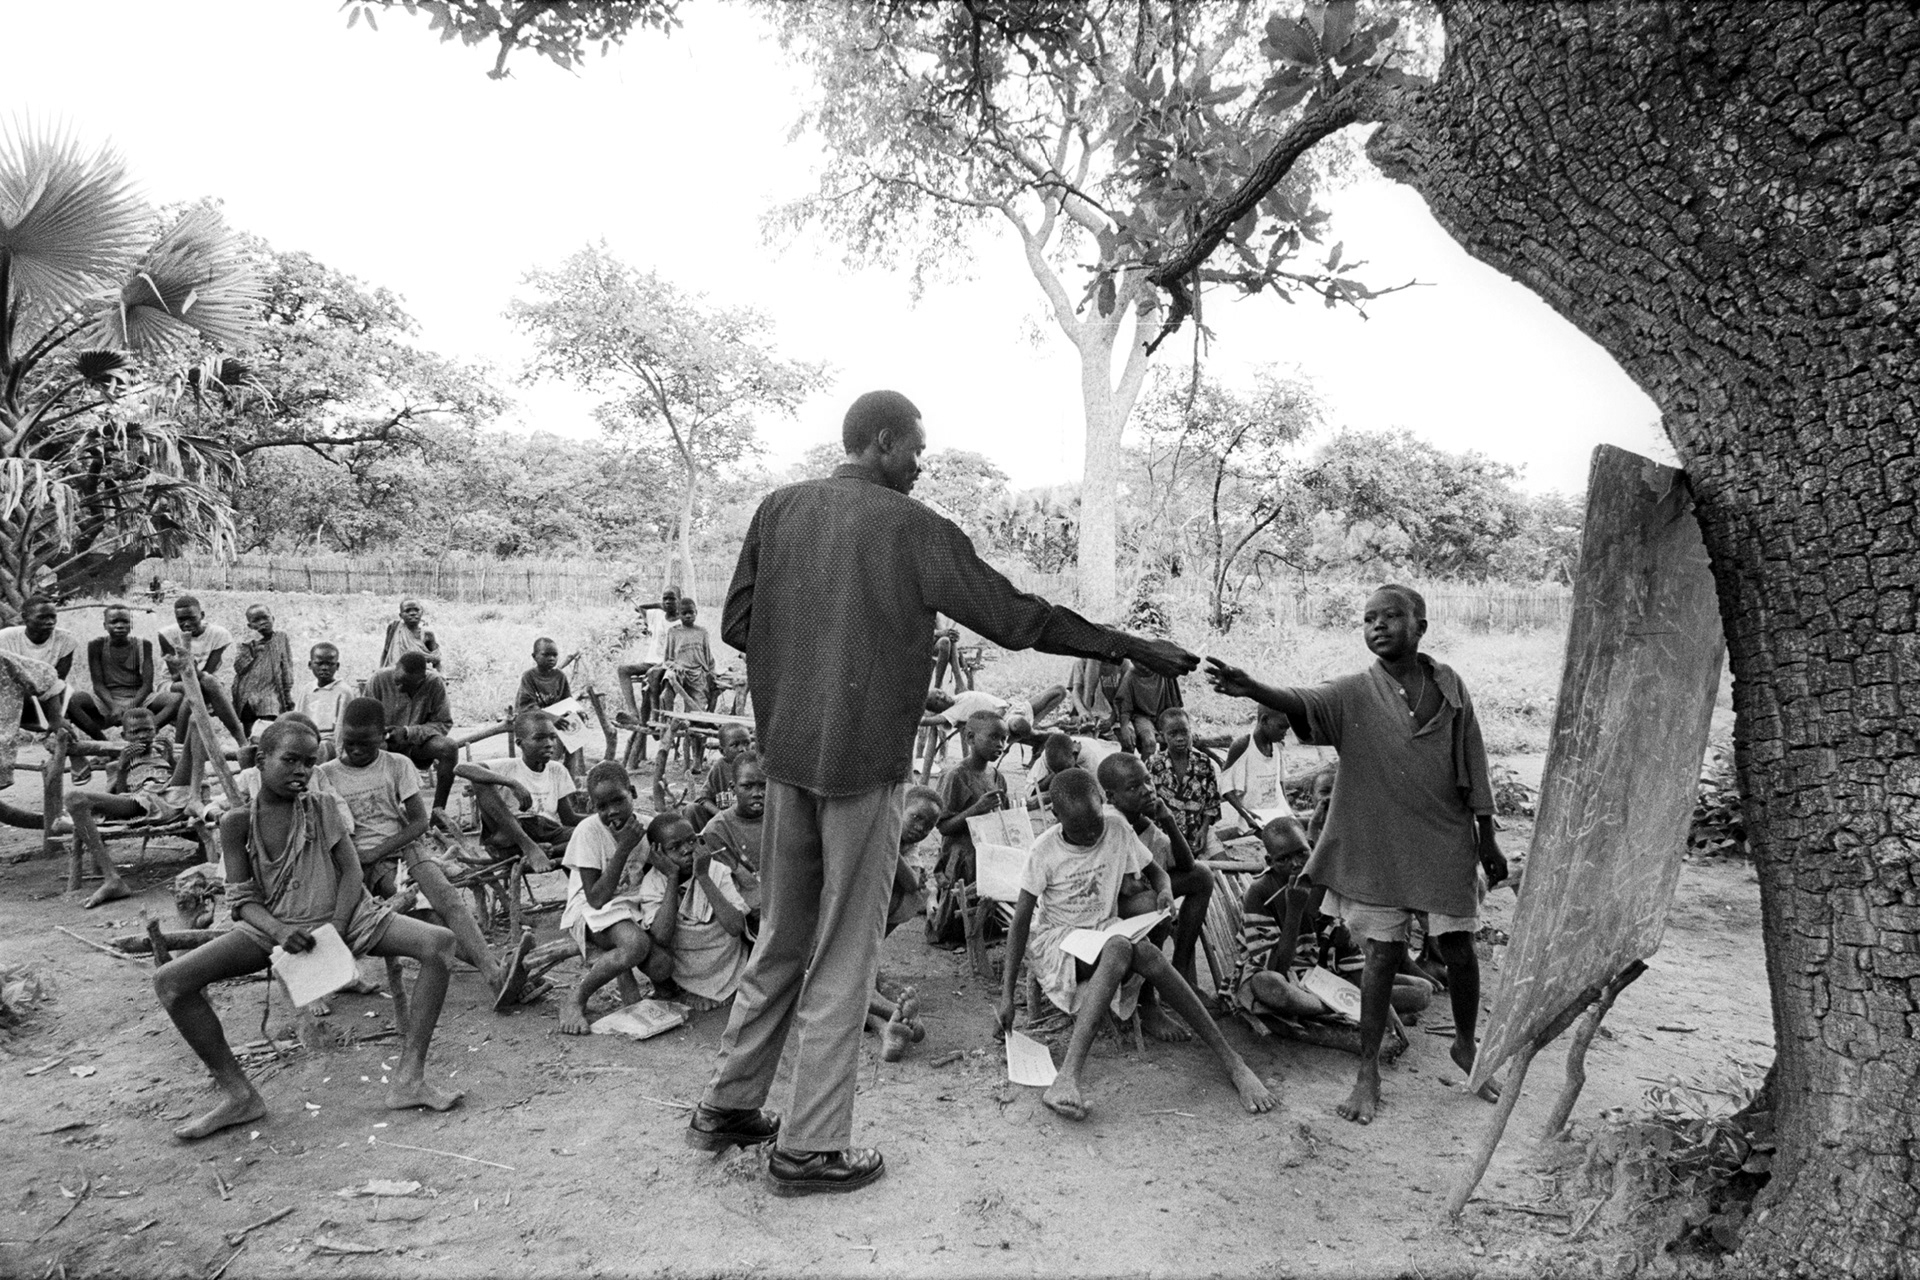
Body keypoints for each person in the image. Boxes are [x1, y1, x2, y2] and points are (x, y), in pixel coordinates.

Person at [689, 389, 1198, 1197]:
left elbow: (739, 625)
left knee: (784, 933)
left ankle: (728, 1105)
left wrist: (814, 663)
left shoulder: (777, 510)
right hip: (861, 767)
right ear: (883, 441)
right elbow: (1016, 618)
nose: (922, 464)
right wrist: (1125, 646)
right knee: (846, 951)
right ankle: (810, 1148)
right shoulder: (914, 528)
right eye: (916, 449)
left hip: (786, 759)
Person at [1206, 583, 1508, 1125]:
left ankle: (1467, 1045)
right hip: (1377, 843)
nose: (1378, 626)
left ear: (1421, 624)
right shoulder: (1351, 692)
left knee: (1459, 948)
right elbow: (1304, 699)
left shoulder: (1449, 685)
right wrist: (1255, 687)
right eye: (1368, 619)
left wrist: (1487, 835)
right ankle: (1366, 1070)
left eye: (1391, 616)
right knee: (1383, 956)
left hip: (1443, 835)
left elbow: (1474, 758)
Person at [151, 718, 463, 1141]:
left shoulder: (320, 807)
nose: (300, 771)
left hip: (345, 917)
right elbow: (242, 900)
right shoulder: (237, 824)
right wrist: (279, 932)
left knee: (439, 944)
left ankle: (409, 1078)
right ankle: (239, 1095)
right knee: (171, 982)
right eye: (290, 760)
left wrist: (335, 927)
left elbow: (351, 870)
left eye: (309, 762)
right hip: (275, 927)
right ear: (261, 761)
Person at [994, 768, 1273, 1121]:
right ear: (1056, 817)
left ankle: (1233, 1062)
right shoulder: (1044, 851)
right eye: (1079, 832)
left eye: (1095, 826)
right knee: (1120, 948)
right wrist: (1006, 995)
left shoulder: (1116, 828)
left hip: (1104, 930)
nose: (1091, 836)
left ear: (1103, 803)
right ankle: (1067, 1077)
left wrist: (1165, 890)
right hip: (1059, 942)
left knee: (1148, 954)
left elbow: (1155, 870)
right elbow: (1021, 922)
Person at [316, 698, 535, 1010]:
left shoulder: (397, 765)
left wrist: (379, 850)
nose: (354, 750)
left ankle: (495, 976)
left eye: (364, 743)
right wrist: (364, 858)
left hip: (403, 848)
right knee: (426, 917)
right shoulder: (326, 774)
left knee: (449, 900)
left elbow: (419, 822)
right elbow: (332, 830)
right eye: (347, 743)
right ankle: (499, 968)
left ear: (382, 736)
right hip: (361, 861)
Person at [1237, 816, 1430, 1034]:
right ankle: (1349, 1008)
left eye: (1301, 853)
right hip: (1287, 978)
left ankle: (1344, 1006)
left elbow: (1349, 956)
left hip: (1327, 978)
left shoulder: (1323, 885)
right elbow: (1276, 968)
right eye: (1283, 859)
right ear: (1269, 861)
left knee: (1422, 990)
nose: (1296, 864)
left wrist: (1381, 1001)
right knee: (1269, 986)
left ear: (1311, 847)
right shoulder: (1260, 893)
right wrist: (1294, 911)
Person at [557, 761, 672, 1035]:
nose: (612, 811)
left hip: (633, 904)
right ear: (592, 807)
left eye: (618, 800)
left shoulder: (647, 826)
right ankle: (575, 998)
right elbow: (596, 899)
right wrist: (623, 848)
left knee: (662, 966)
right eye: (602, 806)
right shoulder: (588, 831)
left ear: (632, 792)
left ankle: (629, 977)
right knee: (635, 945)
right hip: (592, 907)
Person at [1096, 751, 1216, 1007]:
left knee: (1202, 876)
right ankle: (1149, 997)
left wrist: (1168, 819)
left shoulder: (1142, 821)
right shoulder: (1111, 822)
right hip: (1107, 908)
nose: (1147, 790)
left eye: (1148, 781)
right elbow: (1126, 888)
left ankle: (1180, 967)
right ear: (1111, 796)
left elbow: (1187, 865)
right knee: (1156, 903)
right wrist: (1158, 889)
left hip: (1139, 896)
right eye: (1133, 787)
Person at [63, 706, 176, 909]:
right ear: (124, 736)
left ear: (156, 730)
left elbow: (176, 785)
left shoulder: (164, 754)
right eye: (135, 732)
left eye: (147, 730)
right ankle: (112, 878)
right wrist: (123, 767)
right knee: (73, 798)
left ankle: (113, 881)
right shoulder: (117, 764)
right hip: (137, 804)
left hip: (166, 801)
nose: (142, 736)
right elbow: (118, 798)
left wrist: (171, 760)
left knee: (194, 722)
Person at [638, 811, 751, 1011]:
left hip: (723, 961)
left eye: (691, 841)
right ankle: (683, 989)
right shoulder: (654, 882)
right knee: (656, 959)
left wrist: (703, 876)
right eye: (674, 847)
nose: (687, 850)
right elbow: (662, 937)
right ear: (657, 852)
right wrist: (672, 877)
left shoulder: (716, 871)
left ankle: (725, 987)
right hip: (685, 966)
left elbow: (735, 927)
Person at [458, 710, 583, 873]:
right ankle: (530, 848)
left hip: (547, 833)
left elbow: (568, 818)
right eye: (539, 738)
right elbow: (461, 768)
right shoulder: (508, 766)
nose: (549, 743)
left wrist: (599, 821)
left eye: (553, 737)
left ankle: (547, 851)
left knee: (589, 834)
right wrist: (511, 783)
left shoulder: (557, 770)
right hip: (510, 835)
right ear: (520, 743)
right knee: (480, 780)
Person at [362, 651, 460, 819]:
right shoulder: (379, 679)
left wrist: (408, 732)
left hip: (416, 745)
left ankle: (438, 815)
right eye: (397, 681)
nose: (399, 688)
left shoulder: (434, 683)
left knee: (448, 748)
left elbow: (443, 723)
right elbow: (365, 719)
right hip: (384, 744)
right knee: (378, 750)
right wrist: (382, 736)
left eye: (405, 684)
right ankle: (384, 816)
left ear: (420, 681)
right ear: (395, 670)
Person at [2, 596, 110, 740]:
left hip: (51, 691)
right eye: (42, 617)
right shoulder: (5, 638)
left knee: (70, 701)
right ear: (25, 618)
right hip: (14, 693)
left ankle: (98, 746)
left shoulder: (65, 639)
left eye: (53, 617)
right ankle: (102, 744)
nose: (50, 622)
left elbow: (58, 679)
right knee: (66, 706)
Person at [151, 595, 249, 745]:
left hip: (205, 681)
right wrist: (189, 666)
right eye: (181, 620)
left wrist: (191, 666)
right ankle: (181, 747)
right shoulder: (166, 634)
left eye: (191, 618)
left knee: (205, 683)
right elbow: (176, 675)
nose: (186, 624)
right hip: (172, 684)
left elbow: (209, 670)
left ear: (202, 615)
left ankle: (240, 740)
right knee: (192, 690)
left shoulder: (219, 634)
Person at [934, 708, 1010, 889]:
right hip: (961, 862)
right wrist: (976, 809)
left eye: (1003, 739)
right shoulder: (955, 777)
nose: (1000, 744)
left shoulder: (997, 777)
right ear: (970, 738)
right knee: (958, 909)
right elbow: (943, 827)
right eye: (993, 737)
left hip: (988, 858)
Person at [1144, 707, 1223, 860]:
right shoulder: (1153, 764)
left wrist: (1204, 830)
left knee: (1225, 868)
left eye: (1184, 732)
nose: (1180, 738)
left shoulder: (1203, 762)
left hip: (1198, 832)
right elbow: (1148, 805)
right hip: (1165, 836)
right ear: (1162, 736)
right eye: (1173, 734)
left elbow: (1211, 803)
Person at [701, 749, 767, 916]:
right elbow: (730, 884)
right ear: (733, 787)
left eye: (764, 785)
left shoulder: (782, 820)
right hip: (745, 898)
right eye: (747, 786)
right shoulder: (717, 830)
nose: (757, 793)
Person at [660, 596, 717, 770]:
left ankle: (697, 759)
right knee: (667, 686)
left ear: (696, 613)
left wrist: (712, 675)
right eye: (684, 613)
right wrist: (675, 666)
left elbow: (709, 659)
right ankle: (667, 723)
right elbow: (667, 659)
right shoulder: (673, 632)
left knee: (698, 718)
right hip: (680, 674)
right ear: (678, 614)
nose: (688, 616)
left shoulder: (702, 632)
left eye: (691, 613)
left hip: (698, 676)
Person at [1218, 706, 1292, 836]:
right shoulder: (1243, 745)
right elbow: (1225, 787)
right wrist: (1246, 815)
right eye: (1281, 727)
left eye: (1287, 728)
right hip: (1255, 820)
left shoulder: (1277, 745)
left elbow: (1280, 782)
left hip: (1278, 813)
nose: (1285, 733)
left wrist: (1288, 810)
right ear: (1264, 720)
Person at [231, 603, 295, 739]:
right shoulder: (246, 643)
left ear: (273, 618)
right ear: (250, 626)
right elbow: (238, 668)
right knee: (250, 733)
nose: (262, 623)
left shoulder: (281, 638)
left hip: (270, 692)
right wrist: (251, 653)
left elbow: (287, 665)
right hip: (247, 694)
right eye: (256, 621)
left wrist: (287, 693)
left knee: (269, 729)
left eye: (265, 618)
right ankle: (251, 755)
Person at [87, 604, 155, 728]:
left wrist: (131, 707)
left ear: (131, 625)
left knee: (174, 699)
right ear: (105, 626)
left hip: (137, 696)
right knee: (75, 700)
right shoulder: (96, 645)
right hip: (107, 697)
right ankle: (101, 741)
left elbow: (147, 685)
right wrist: (114, 707)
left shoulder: (143, 645)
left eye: (125, 622)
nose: (119, 626)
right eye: (113, 622)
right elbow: (98, 685)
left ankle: (145, 734)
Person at [1116, 656, 1182, 756]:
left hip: (1164, 714)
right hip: (1142, 716)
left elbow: (1176, 705)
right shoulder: (1130, 677)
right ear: (1133, 661)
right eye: (1139, 663)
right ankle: (1143, 770)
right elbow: (1125, 708)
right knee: (1149, 742)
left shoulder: (1163, 673)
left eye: (1147, 661)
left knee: (1174, 741)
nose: (1144, 666)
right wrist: (1124, 727)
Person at [300, 642, 349, 760]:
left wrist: (339, 754)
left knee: (321, 748)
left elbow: (341, 728)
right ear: (310, 664)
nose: (324, 668)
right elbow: (299, 718)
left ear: (337, 666)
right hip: (307, 738)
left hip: (329, 741)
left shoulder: (343, 691)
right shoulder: (307, 689)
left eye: (330, 664)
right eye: (319, 663)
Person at [514, 637, 572, 714]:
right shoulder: (528, 677)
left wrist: (576, 711)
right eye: (546, 655)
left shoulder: (560, 676)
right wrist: (551, 717)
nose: (551, 658)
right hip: (534, 718)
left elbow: (567, 701)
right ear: (534, 657)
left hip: (556, 716)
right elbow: (528, 707)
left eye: (555, 655)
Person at [380, 599, 441, 670]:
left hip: (419, 674)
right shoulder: (394, 627)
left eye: (416, 610)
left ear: (422, 612)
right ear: (401, 615)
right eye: (407, 610)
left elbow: (436, 660)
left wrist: (440, 676)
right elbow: (386, 651)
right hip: (396, 672)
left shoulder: (427, 634)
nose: (412, 613)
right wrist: (380, 671)